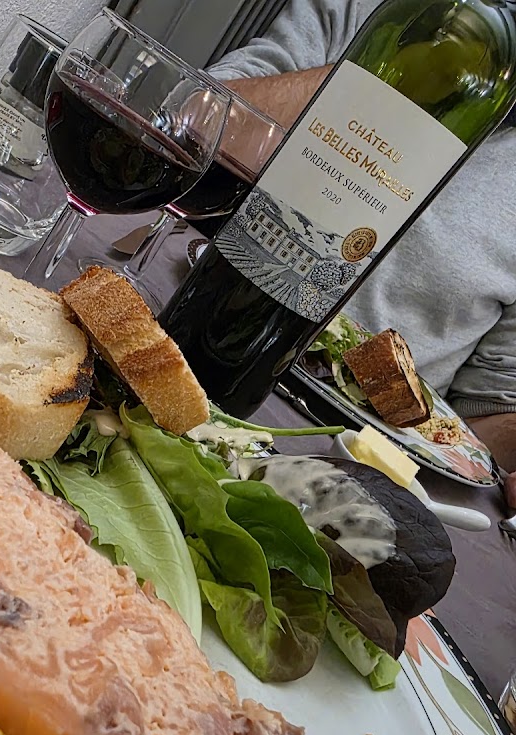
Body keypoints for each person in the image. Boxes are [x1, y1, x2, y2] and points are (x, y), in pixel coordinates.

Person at [208, 0, 516, 504]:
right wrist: (388, 81)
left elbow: (486, 416)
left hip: (342, 469)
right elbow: (195, 122)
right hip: (207, 318)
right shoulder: (383, 11)